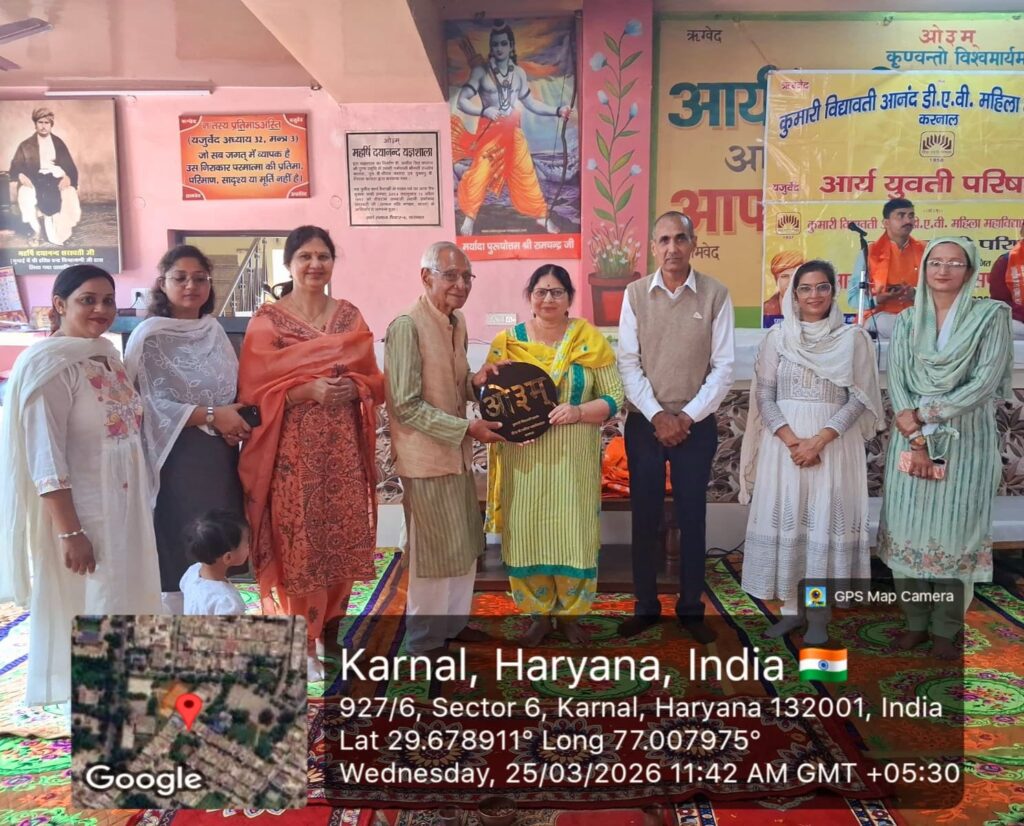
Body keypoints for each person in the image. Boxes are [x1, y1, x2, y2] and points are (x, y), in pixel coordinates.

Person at [0, 265, 162, 706]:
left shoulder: (106, 355)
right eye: (87, 300)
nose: (100, 309)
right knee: (95, 599)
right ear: (59, 304)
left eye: (108, 300)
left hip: (126, 507)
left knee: (127, 594)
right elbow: (45, 458)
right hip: (86, 512)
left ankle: (126, 691)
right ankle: (96, 703)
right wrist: (70, 531)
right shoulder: (48, 366)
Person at [237, 226, 384, 682]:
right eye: (305, 256)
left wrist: (353, 388)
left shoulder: (350, 316)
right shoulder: (268, 321)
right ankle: (303, 640)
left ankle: (331, 630)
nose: (315, 265)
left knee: (341, 534)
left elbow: (374, 379)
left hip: (343, 450)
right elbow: (252, 392)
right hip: (292, 454)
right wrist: (304, 391)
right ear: (289, 264)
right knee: (299, 541)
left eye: (323, 256)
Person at [878, 237, 1013, 660]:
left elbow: (984, 382)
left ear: (970, 270)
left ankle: (946, 629)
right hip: (910, 441)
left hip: (965, 443)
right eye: (935, 262)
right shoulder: (906, 320)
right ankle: (915, 623)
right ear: (924, 268)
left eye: (955, 263)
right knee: (907, 532)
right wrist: (916, 435)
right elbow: (898, 380)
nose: (943, 270)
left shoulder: (991, 316)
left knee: (956, 535)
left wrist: (924, 413)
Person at [740, 261, 883, 642]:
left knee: (820, 528)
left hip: (832, 449)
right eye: (805, 288)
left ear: (834, 292)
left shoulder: (853, 339)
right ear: (794, 294)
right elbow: (764, 395)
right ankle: (791, 611)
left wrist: (818, 441)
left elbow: (860, 398)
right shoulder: (777, 337)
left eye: (822, 287)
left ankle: (818, 616)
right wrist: (793, 442)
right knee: (792, 526)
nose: (814, 295)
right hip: (784, 450)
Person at [485, 265, 624, 645]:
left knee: (573, 533)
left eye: (557, 292)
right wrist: (508, 426)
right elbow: (490, 398)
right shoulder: (507, 343)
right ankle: (538, 616)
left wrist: (578, 411)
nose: (548, 299)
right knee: (527, 531)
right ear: (530, 296)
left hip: (573, 459)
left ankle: (571, 616)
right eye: (541, 291)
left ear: (569, 298)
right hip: (523, 459)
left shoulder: (588, 340)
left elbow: (614, 395)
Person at [617, 211, 735, 643]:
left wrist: (685, 417)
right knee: (645, 517)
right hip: (645, 424)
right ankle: (646, 606)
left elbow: (723, 367)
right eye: (664, 240)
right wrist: (658, 416)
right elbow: (628, 364)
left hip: (695, 426)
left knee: (692, 517)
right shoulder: (634, 294)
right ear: (653, 247)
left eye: (680, 239)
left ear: (693, 243)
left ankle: (690, 609)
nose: (672, 248)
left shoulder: (715, 294)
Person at [384, 241, 505, 655]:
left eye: (467, 277)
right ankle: (423, 641)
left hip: (456, 454)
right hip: (425, 459)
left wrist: (476, 381)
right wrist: (466, 427)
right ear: (426, 277)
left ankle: (453, 625)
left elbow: (455, 382)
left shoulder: (457, 322)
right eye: (450, 275)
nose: (461, 285)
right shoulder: (407, 326)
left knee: (463, 546)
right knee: (433, 553)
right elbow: (405, 404)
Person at [125, 245, 250, 614]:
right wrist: (211, 415)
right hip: (175, 455)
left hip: (219, 457)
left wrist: (234, 423)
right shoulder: (149, 335)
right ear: (162, 284)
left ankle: (214, 611)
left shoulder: (214, 330)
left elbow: (231, 388)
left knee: (217, 539)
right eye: (180, 278)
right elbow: (144, 403)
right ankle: (177, 620)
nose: (191, 286)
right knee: (181, 536)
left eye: (200, 278)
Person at [453, 21, 572, 235]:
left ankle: (541, 216)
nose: (499, 48)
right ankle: (469, 218)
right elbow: (462, 101)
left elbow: (531, 103)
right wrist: (484, 111)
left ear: (511, 46)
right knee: (480, 172)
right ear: (491, 47)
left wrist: (557, 110)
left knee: (526, 173)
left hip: (513, 130)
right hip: (491, 132)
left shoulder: (518, 73)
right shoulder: (481, 72)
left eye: (503, 43)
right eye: (495, 44)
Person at [846, 198, 925, 338]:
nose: (908, 220)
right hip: (879, 317)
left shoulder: (925, 251)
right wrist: (878, 299)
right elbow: (853, 298)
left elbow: (937, 292)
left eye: (911, 216)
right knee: (890, 323)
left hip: (916, 315)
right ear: (886, 223)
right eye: (901, 216)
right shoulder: (869, 253)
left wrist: (914, 294)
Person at [8, 107, 81, 246]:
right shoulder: (25, 145)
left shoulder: (58, 143)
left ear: (51, 125)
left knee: (69, 192)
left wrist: (68, 178)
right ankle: (36, 231)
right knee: (25, 193)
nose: (43, 126)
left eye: (47, 123)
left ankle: (62, 233)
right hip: (34, 179)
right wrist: (21, 175)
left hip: (55, 179)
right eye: (40, 122)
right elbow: (15, 167)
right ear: (35, 124)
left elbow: (69, 166)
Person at [180, 509, 250, 616]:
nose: (249, 547)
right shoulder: (226, 602)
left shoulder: (192, 572)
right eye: (246, 543)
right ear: (228, 557)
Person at [987, 221, 1024, 339]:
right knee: (1008, 325)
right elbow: (1000, 301)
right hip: (1020, 319)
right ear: (1022, 232)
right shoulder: (1005, 262)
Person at [762, 250, 803, 320]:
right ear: (776, 279)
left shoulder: (815, 306)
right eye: (785, 276)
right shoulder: (765, 310)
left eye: (796, 276)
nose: (791, 282)